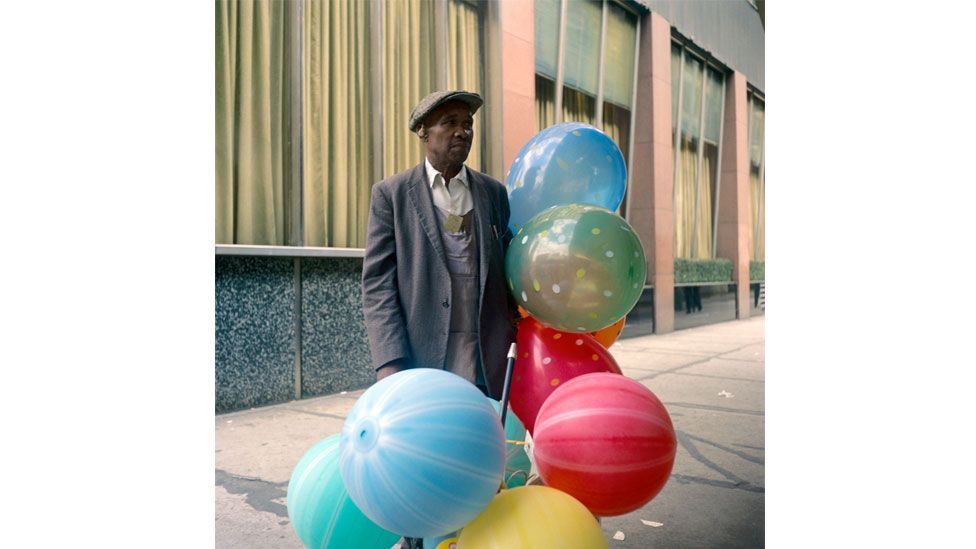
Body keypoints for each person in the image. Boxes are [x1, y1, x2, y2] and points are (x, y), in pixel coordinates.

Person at [361, 90, 517, 549]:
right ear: (423, 132)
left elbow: (509, 269)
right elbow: (377, 283)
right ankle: (415, 542)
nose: (463, 130)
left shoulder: (492, 194)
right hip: (422, 354)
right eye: (450, 121)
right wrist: (390, 361)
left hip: (482, 352)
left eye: (468, 122)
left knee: (476, 458)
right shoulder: (391, 195)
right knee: (417, 460)